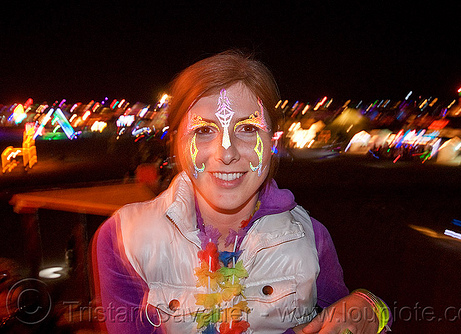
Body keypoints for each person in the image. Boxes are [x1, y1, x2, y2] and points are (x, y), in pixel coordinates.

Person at [93, 51, 390, 334]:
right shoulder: (125, 239)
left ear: (273, 140)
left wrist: (372, 308)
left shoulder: (311, 239)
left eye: (248, 129)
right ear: (177, 142)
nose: (227, 152)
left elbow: (345, 317)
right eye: (203, 131)